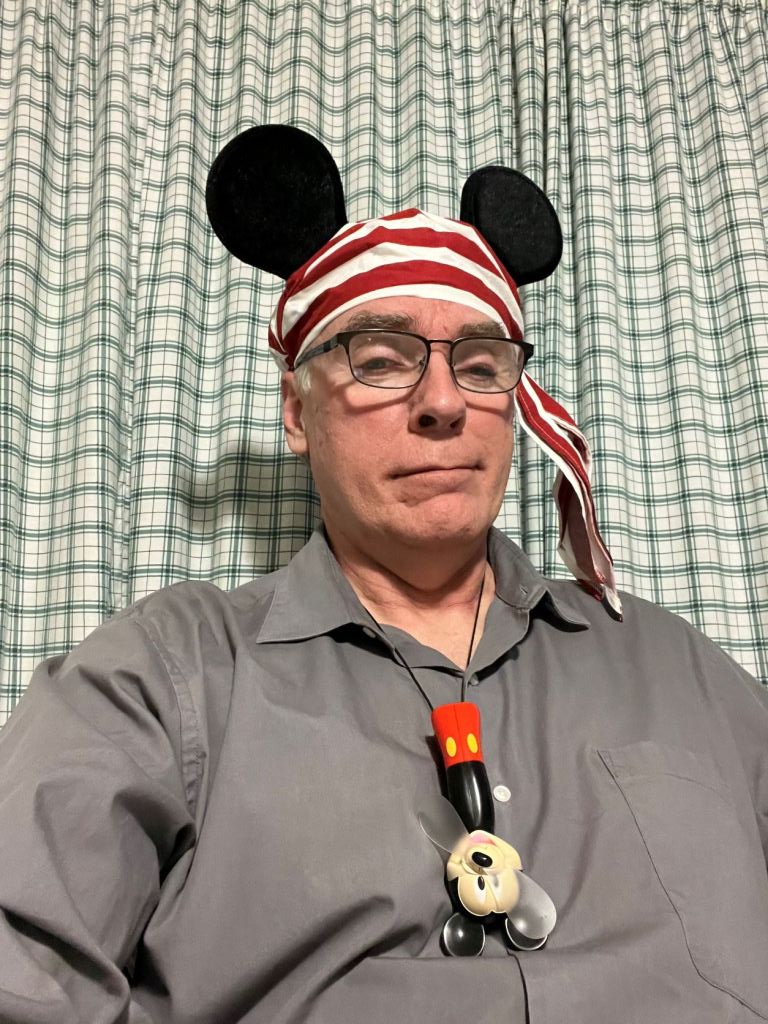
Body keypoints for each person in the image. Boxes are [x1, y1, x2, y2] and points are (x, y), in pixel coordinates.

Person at [0, 125, 766, 1024]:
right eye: (381, 359)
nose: (443, 401)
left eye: (479, 364)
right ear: (298, 412)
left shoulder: (678, 669)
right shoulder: (165, 678)